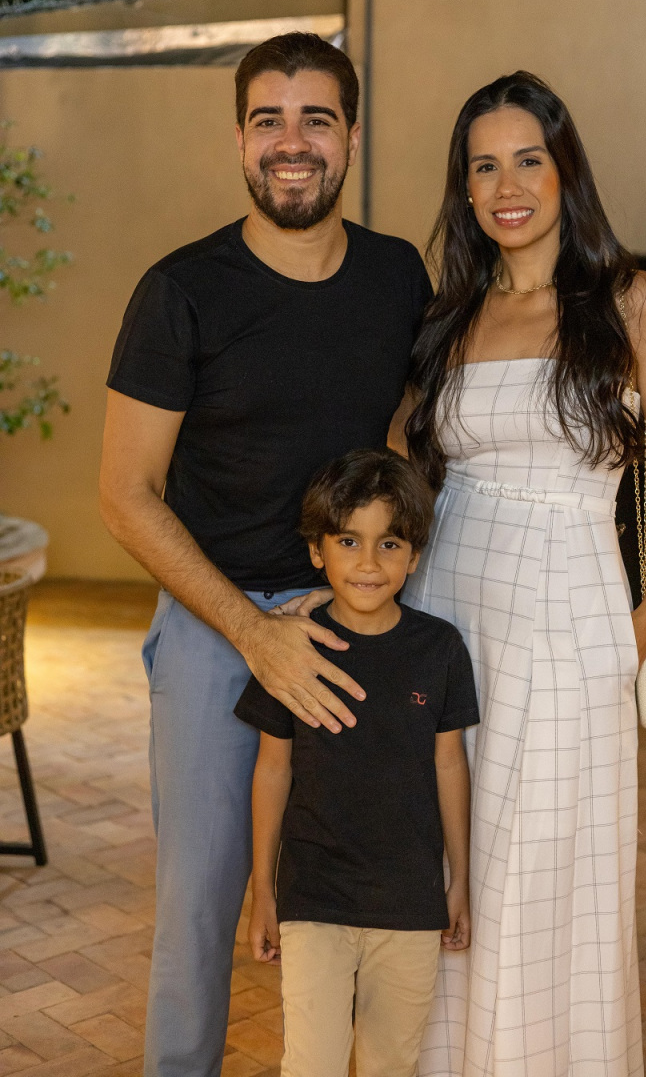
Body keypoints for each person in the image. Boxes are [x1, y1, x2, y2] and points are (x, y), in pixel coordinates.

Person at [98, 33, 432, 1076]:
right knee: (200, 904)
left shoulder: (396, 276)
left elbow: (408, 431)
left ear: (352, 137)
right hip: (218, 626)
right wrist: (253, 633)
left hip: (357, 615)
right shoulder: (180, 291)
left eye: (315, 119)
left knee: (357, 895)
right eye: (268, 121)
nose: (292, 142)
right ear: (239, 140)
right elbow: (124, 494)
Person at [394, 72, 646, 1076]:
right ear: (464, 188)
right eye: (483, 166)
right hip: (447, 609)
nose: (507, 186)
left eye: (528, 159)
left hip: (570, 618)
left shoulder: (634, 303)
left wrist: (643, 623)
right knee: (450, 856)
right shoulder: (450, 316)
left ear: (566, 170)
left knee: (541, 868)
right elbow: (399, 458)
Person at [234, 449, 479, 1077]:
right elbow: (272, 770)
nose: (369, 563)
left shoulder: (439, 649)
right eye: (349, 541)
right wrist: (263, 890)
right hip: (314, 897)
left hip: (409, 903)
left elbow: (450, 766)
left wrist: (459, 880)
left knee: (389, 1064)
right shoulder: (290, 647)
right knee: (310, 1064)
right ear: (317, 551)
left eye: (389, 544)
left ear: (414, 556)